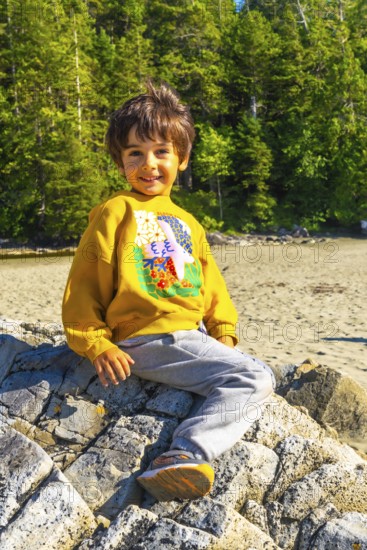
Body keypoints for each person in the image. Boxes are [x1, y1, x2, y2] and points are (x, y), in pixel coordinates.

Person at [62, 81, 275, 502]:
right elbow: (85, 281)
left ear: (182, 158)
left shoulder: (187, 222)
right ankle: (185, 454)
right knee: (256, 376)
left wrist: (224, 330)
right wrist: (95, 342)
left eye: (162, 152)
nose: (149, 164)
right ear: (120, 162)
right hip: (146, 338)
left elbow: (210, 283)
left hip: (185, 336)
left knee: (242, 370)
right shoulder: (116, 211)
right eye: (135, 154)